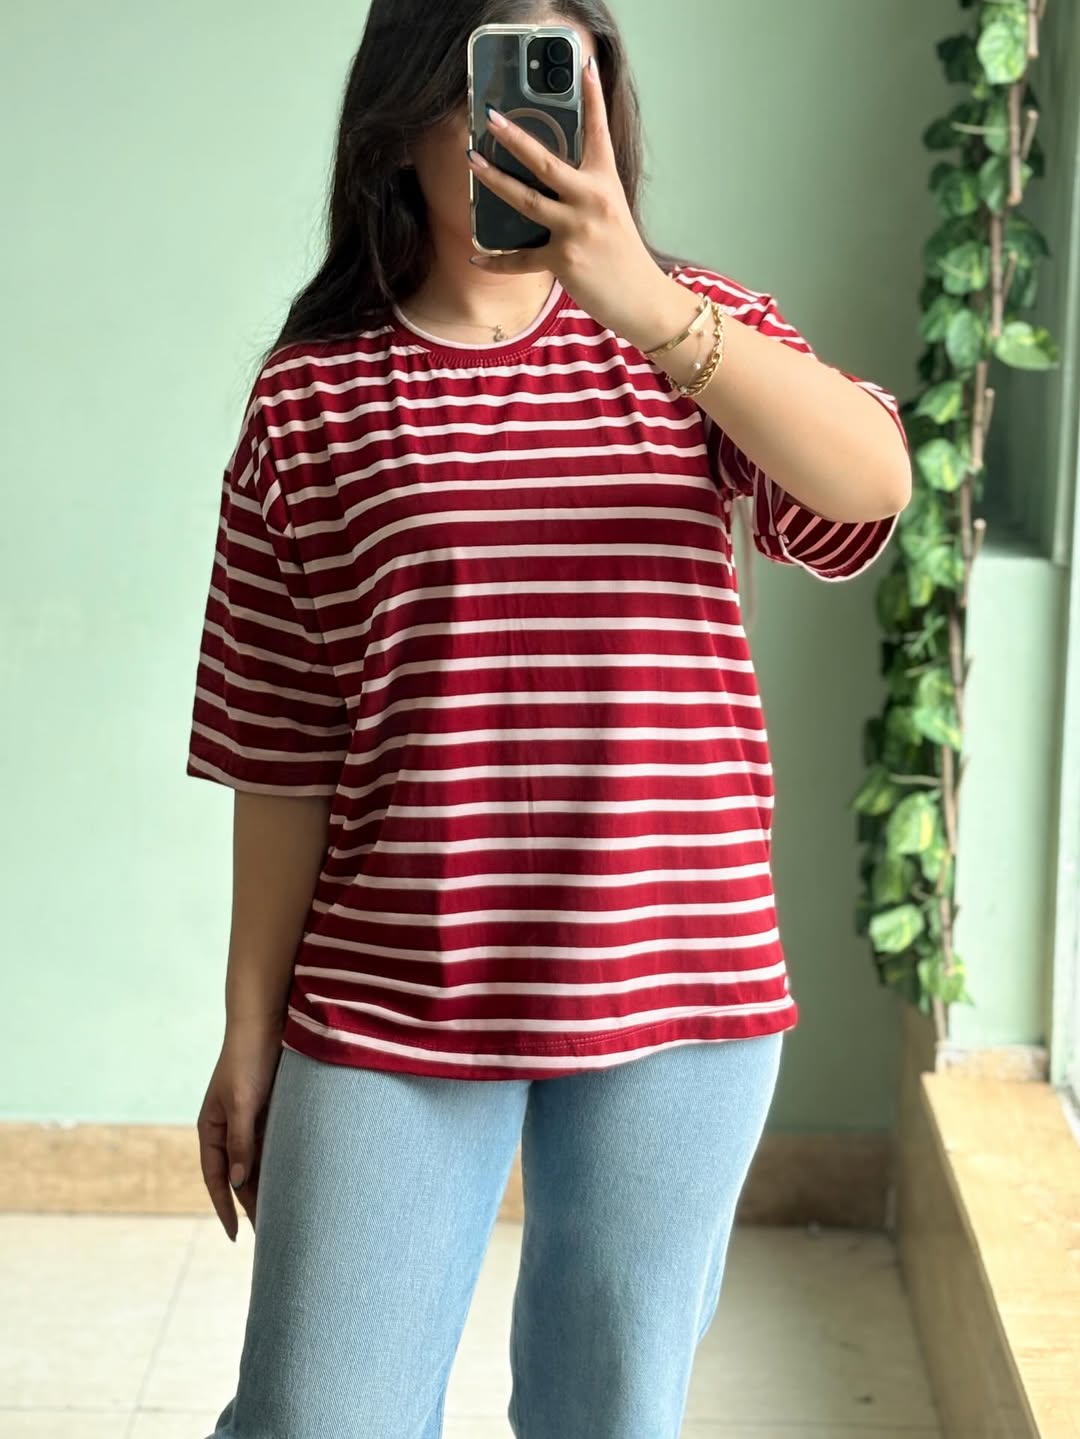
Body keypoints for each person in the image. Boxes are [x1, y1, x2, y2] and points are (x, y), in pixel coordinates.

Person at [190, 2, 911, 1435]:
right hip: (397, 985)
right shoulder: (310, 398)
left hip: (677, 983)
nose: (526, 136)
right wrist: (248, 1031)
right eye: (489, 97)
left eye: (561, 95)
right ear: (404, 120)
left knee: (608, 1418)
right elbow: (282, 747)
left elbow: (872, 486)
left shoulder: (694, 336)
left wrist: (650, 309)